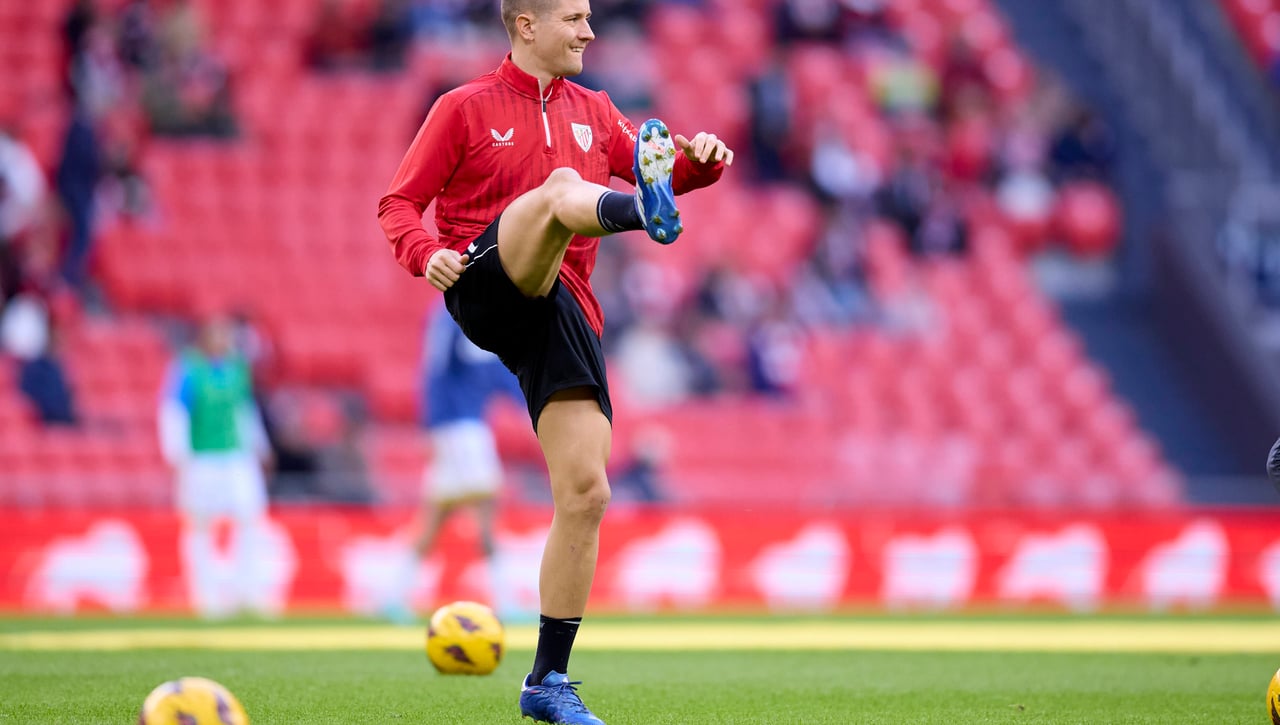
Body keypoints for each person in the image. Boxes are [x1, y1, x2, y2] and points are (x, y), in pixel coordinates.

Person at [376, 1, 733, 722]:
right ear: (526, 25)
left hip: (561, 306)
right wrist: (426, 255)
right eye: (573, 17)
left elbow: (656, 169)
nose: (590, 31)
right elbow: (398, 203)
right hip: (483, 277)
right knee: (560, 192)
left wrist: (698, 166)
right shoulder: (464, 106)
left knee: (586, 491)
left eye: (591, 17)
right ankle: (636, 216)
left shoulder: (597, 110)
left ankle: (546, 682)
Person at [386, 303, 526, 622]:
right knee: (487, 510)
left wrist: (527, 401)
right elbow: (434, 369)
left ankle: (393, 595)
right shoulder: (449, 317)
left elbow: (494, 372)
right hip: (460, 430)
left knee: (436, 516)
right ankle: (506, 600)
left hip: (464, 427)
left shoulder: (481, 315)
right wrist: (431, 425)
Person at [158, 309, 274, 619]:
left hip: (236, 455)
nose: (224, 340)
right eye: (218, 334)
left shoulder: (238, 369)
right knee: (200, 526)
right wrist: (177, 454)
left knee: (250, 518)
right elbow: (174, 411)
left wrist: (260, 445)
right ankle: (206, 597)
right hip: (201, 458)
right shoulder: (188, 369)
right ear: (205, 338)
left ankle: (247, 591)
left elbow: (244, 410)